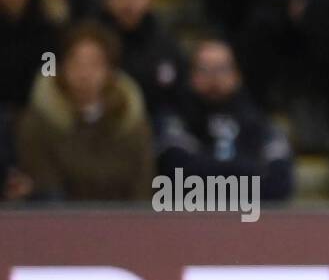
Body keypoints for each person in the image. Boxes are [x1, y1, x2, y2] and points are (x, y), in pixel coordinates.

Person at [16, 22, 153, 201]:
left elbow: (142, 187)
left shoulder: (131, 124)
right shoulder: (40, 122)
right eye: (76, 63)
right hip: (60, 222)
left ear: (110, 71)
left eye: (95, 64)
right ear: (62, 67)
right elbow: (45, 187)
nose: (84, 74)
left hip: (123, 222)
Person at [156, 37, 293, 201]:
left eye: (222, 69)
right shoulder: (175, 119)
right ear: (191, 76)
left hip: (251, 220)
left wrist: (205, 171)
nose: (214, 78)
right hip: (190, 219)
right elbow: (177, 178)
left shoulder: (258, 120)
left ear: (237, 75)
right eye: (205, 69)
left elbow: (279, 183)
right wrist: (250, 172)